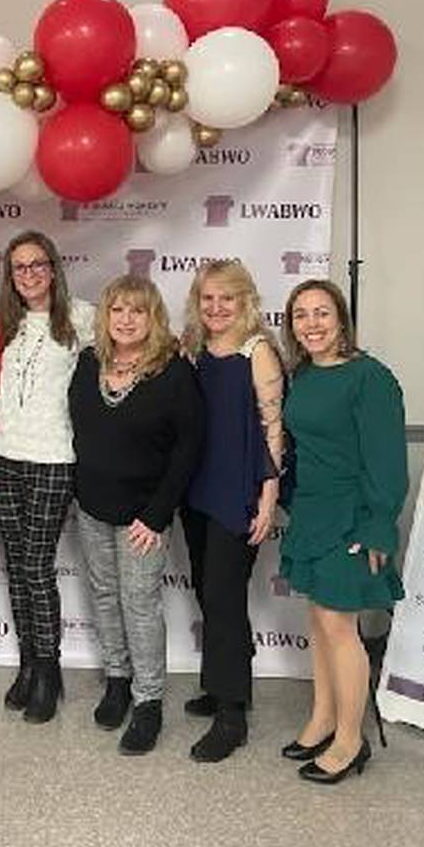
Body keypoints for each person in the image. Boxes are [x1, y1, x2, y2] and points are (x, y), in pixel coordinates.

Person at [278, 279, 407, 783]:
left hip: (352, 516)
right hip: (311, 512)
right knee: (319, 623)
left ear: (341, 319)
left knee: (339, 627)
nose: (311, 324)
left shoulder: (370, 378)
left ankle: (352, 742)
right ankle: (323, 718)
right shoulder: (305, 375)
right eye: (301, 315)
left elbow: (387, 460)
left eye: (322, 313)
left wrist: (378, 526)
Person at [69, 275, 202, 755]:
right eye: (118, 310)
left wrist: (158, 512)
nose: (126, 320)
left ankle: (148, 702)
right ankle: (118, 680)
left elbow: (188, 448)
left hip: (144, 516)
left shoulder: (172, 371)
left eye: (137, 312)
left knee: (139, 602)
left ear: (153, 318)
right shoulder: (89, 364)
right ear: (105, 316)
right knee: (104, 594)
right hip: (91, 506)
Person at [0, 231, 93, 723]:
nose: (28, 275)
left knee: (36, 566)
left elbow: (136, 348)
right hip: (2, 451)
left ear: (53, 268)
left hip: (52, 455)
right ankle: (27, 664)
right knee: (14, 562)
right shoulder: (4, 324)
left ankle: (49, 670)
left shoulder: (82, 319)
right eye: (19, 267)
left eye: (37, 265)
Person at [180, 260, 284, 762]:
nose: (217, 308)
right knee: (207, 589)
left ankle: (233, 714)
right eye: (208, 299)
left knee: (224, 599)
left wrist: (268, 500)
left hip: (237, 492)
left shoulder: (257, 351)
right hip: (196, 489)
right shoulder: (196, 348)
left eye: (227, 299)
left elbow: (274, 432)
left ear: (245, 302)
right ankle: (219, 686)